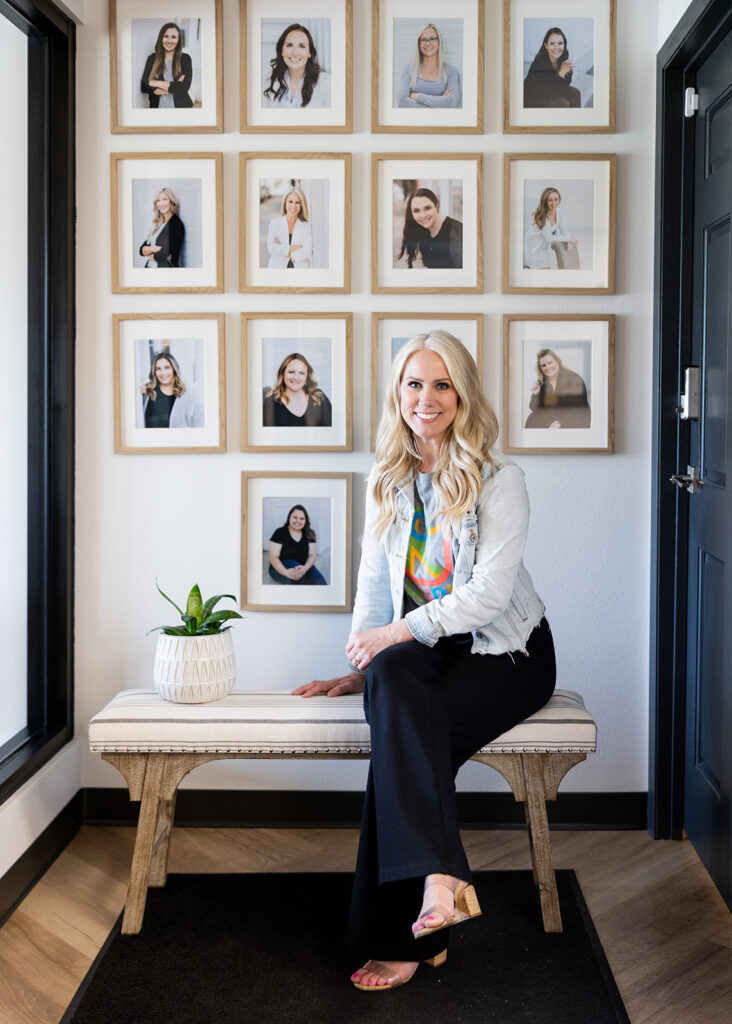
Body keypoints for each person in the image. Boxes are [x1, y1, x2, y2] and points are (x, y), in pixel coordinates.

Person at [294, 331, 556, 992]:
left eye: (441, 384)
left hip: (508, 651)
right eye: (414, 384)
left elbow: (486, 596)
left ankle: (408, 928)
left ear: (462, 394)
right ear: (398, 394)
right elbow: (373, 588)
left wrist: (394, 637)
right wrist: (364, 656)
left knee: (406, 752)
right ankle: (439, 887)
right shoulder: (388, 481)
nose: (426, 398)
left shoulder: (501, 481)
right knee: (390, 688)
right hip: (425, 649)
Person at [263, 23, 331, 108]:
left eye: (302, 46)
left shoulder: (327, 84)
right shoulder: (270, 83)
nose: (295, 53)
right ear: (282, 51)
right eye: (289, 45)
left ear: (309, 53)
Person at [397, 24, 461, 108]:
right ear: (419, 44)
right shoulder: (408, 69)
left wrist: (418, 97)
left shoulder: (451, 71)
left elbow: (451, 103)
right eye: (423, 40)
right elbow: (402, 102)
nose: (428, 43)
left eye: (432, 39)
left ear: (439, 41)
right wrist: (441, 101)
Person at [525, 348, 590, 429]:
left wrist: (558, 424)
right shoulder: (544, 384)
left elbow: (576, 410)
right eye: (543, 365)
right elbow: (534, 409)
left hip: (573, 423)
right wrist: (535, 394)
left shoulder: (573, 378)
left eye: (550, 363)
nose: (547, 367)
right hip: (552, 425)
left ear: (557, 362)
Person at [398, 188, 463, 269]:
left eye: (427, 208)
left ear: (437, 206)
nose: (423, 215)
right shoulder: (423, 230)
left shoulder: (455, 232)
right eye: (416, 210)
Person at [263, 353, 333, 427]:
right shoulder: (271, 402)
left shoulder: (319, 397)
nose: (296, 377)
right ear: (283, 374)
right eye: (291, 372)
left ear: (307, 376)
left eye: (301, 373)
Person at [140, 352, 203, 428]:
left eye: (167, 367)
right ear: (154, 372)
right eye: (158, 369)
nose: (163, 373)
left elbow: (200, 425)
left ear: (174, 369)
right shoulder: (150, 394)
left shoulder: (189, 395)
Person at [523, 27, 581, 109]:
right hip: (534, 97)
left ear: (564, 44)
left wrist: (568, 72)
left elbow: (565, 84)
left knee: (576, 93)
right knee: (561, 103)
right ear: (546, 46)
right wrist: (561, 73)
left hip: (553, 89)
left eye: (560, 43)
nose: (557, 47)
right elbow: (549, 93)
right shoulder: (540, 62)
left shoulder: (564, 56)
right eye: (552, 43)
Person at [268, 505, 327, 585]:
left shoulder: (309, 533)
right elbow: (273, 557)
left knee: (320, 583)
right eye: (295, 517)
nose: (298, 521)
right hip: (279, 569)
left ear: (305, 520)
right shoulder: (280, 532)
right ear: (289, 518)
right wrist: (286, 572)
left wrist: (305, 568)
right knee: (299, 577)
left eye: (302, 518)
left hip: (302, 566)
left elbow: (312, 555)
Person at [523, 187, 579, 270]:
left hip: (544, 248)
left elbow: (564, 230)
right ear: (545, 202)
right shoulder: (542, 217)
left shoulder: (559, 213)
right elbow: (550, 238)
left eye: (556, 199)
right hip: (533, 247)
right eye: (550, 200)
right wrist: (569, 239)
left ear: (559, 200)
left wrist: (568, 242)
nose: (554, 203)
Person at [140, 23, 193, 109]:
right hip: (157, 109)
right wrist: (175, 87)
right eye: (166, 36)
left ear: (179, 40)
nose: (169, 41)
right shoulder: (152, 58)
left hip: (182, 109)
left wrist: (156, 83)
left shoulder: (185, 59)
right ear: (161, 38)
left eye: (173, 37)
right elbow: (144, 86)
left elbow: (185, 87)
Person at [266, 188, 313, 269]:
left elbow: (307, 251)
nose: (293, 206)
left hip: (300, 269)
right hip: (277, 269)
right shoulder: (275, 223)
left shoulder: (306, 226)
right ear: (285, 203)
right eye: (290, 201)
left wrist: (283, 250)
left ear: (302, 205)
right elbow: (272, 248)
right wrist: (292, 248)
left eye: (297, 202)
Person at [139, 188, 185, 269]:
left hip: (165, 274)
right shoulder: (157, 225)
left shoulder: (176, 224)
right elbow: (142, 250)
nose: (161, 204)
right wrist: (153, 249)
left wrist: (150, 252)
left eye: (164, 199)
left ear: (171, 201)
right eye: (158, 200)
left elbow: (167, 255)